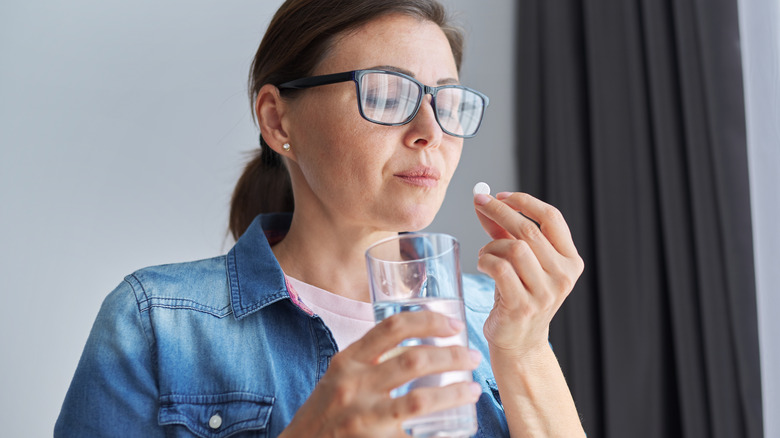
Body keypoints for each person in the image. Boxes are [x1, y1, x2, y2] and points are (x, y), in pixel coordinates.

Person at [55, 0, 586, 436]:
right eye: (385, 92)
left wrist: (525, 347)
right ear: (277, 118)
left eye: (447, 101)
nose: (431, 130)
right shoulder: (156, 323)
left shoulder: (495, 318)